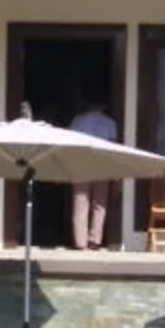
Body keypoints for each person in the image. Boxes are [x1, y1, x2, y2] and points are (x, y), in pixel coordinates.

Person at [69, 98, 119, 249]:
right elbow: (113, 145)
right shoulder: (110, 123)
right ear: (103, 106)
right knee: (99, 204)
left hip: (81, 163)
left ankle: (80, 242)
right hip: (102, 164)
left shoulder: (77, 121)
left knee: (80, 203)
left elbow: (69, 141)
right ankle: (95, 240)